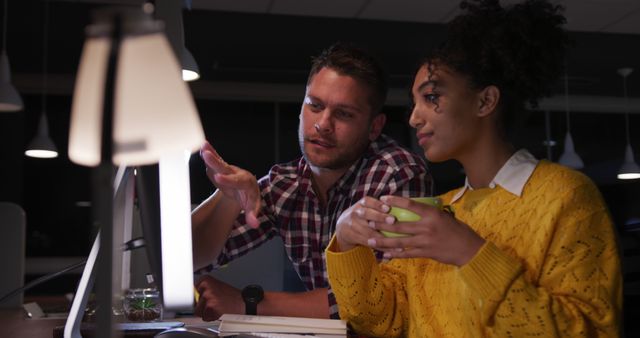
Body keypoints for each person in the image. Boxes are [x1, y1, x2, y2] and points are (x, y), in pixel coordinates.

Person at [326, 1, 622, 337]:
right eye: (415, 102)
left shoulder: (565, 196)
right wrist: (347, 241)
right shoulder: (445, 209)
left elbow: (589, 332)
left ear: (485, 101)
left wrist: (469, 253)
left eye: (432, 96)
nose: (414, 117)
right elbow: (381, 321)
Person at [191, 42, 432, 320]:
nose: (323, 124)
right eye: (315, 106)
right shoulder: (285, 183)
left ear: (374, 127)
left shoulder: (397, 173)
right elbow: (186, 259)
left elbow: (385, 301)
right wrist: (227, 197)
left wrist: (248, 303)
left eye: (343, 114)